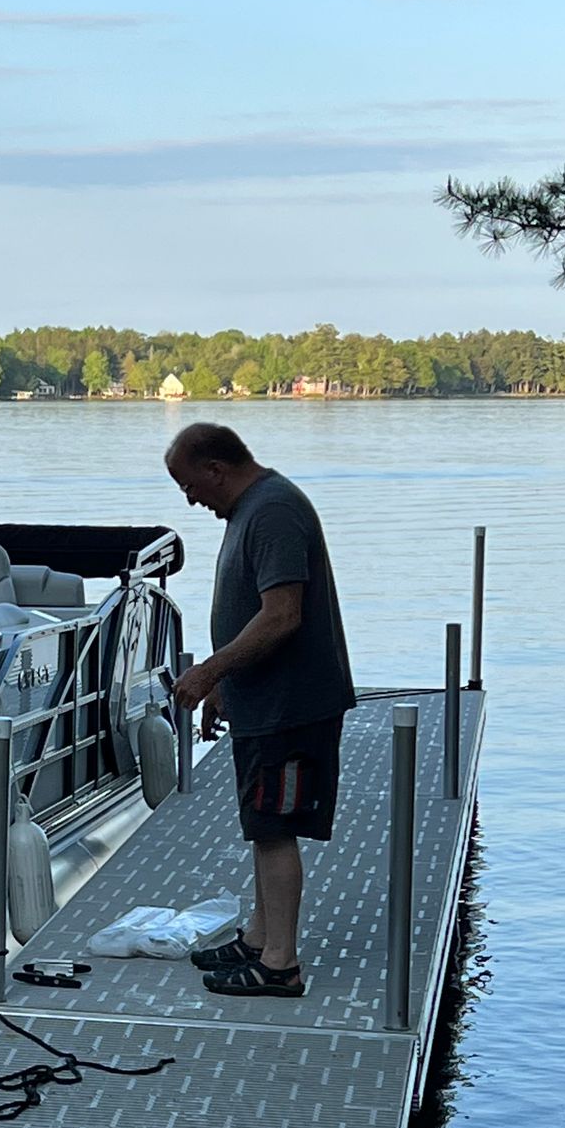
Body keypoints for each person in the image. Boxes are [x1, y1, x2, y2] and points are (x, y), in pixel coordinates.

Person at [164, 422, 355, 998]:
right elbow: (251, 611)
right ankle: (258, 937)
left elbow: (281, 616)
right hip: (262, 702)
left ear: (216, 469)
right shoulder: (252, 508)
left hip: (290, 706)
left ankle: (279, 964)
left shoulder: (272, 511)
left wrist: (208, 672)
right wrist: (226, 688)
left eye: (188, 484)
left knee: (275, 830)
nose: (189, 498)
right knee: (261, 826)